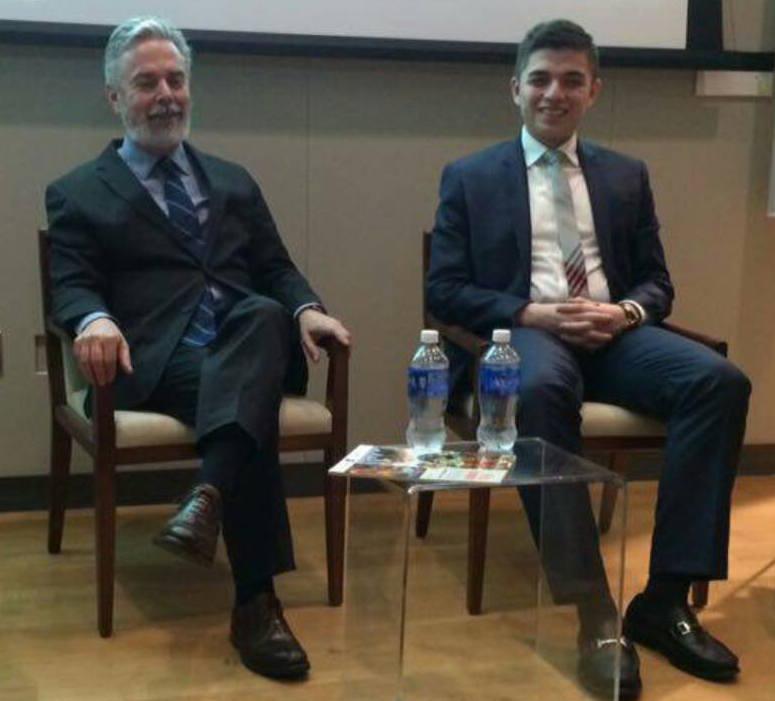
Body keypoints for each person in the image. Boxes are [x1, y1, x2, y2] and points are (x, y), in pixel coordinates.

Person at [427, 18, 751, 698]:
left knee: (718, 381)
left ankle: (664, 599)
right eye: (540, 79)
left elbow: (656, 283)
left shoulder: (625, 174)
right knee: (537, 390)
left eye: (571, 80)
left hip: (615, 334)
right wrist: (528, 311)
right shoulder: (470, 176)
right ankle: (594, 611)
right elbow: (445, 290)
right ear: (515, 89)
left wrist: (625, 311)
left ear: (594, 91)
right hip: (530, 332)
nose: (555, 93)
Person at [46, 16, 351, 680]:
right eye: (146, 83)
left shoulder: (233, 180)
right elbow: (71, 283)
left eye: (176, 80)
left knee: (263, 314)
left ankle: (206, 496)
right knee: (249, 403)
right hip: (159, 358)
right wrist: (94, 319)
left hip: (253, 341)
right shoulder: (77, 192)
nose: (166, 95)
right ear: (115, 97)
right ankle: (255, 604)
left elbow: (276, 267)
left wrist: (307, 308)